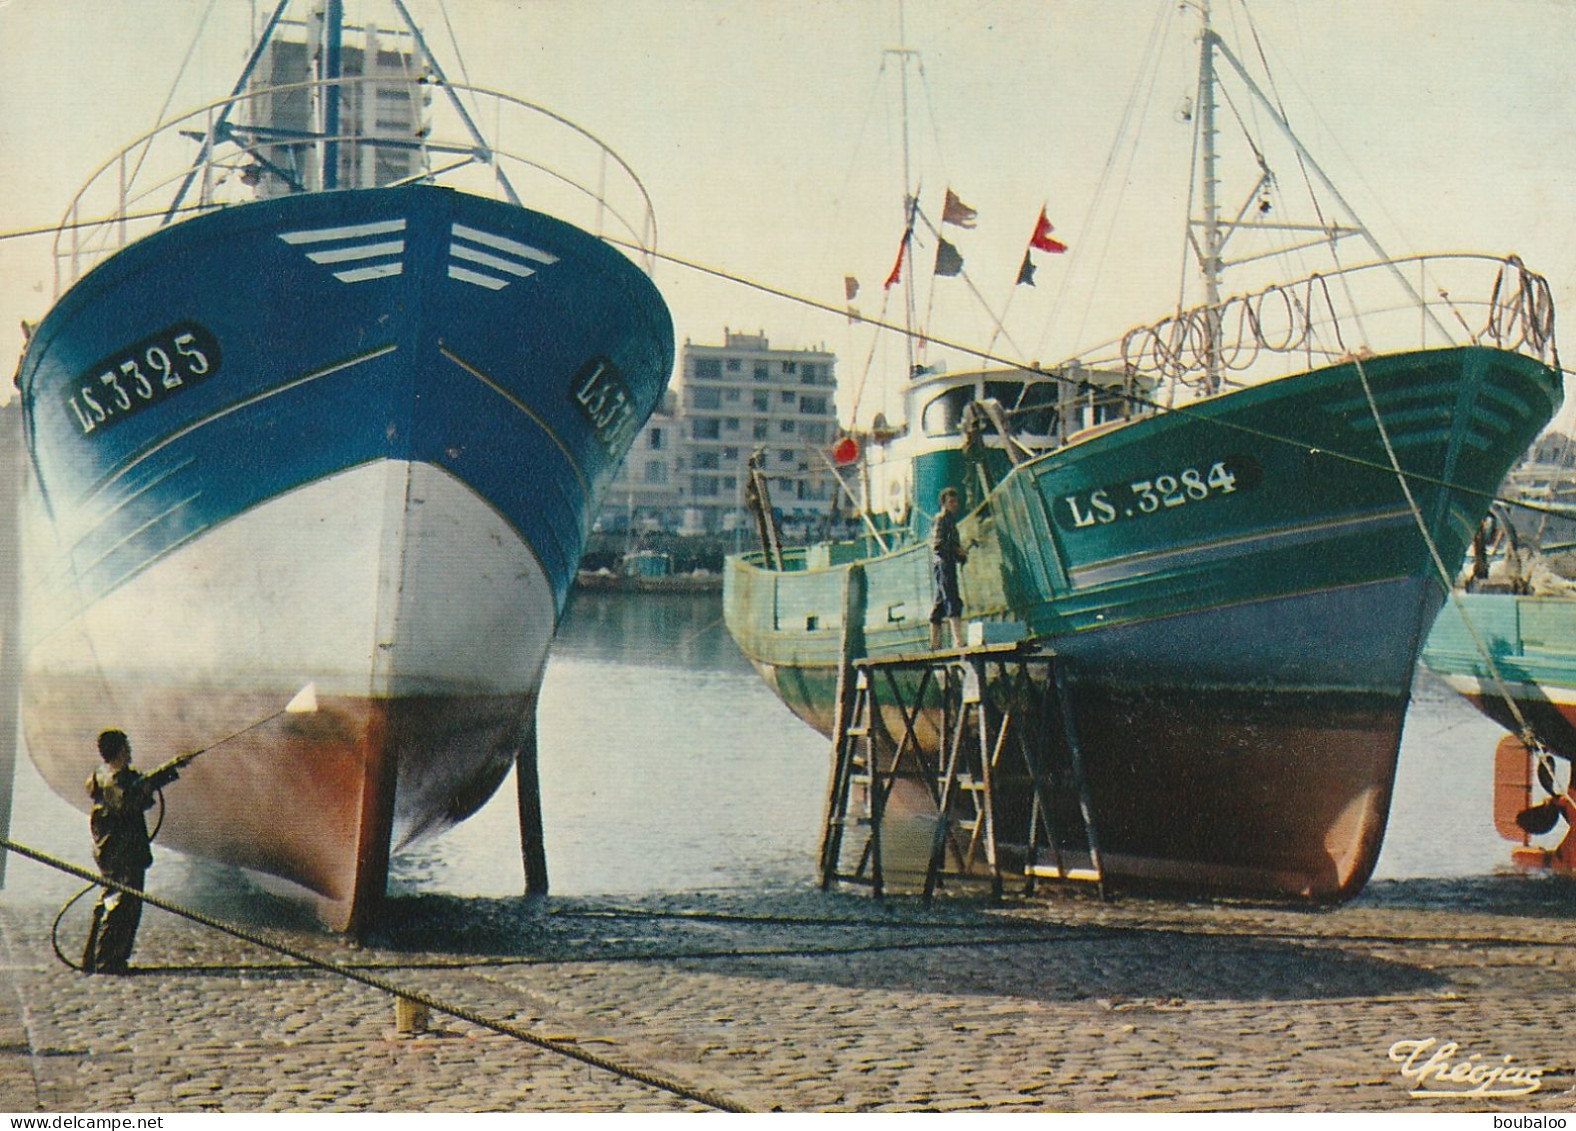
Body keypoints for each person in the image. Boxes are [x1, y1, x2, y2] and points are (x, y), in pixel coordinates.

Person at [82, 729, 184, 975]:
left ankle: (93, 959)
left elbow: (137, 789)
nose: (130, 751)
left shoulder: (101, 774)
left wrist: (168, 769)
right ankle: (109, 961)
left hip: (109, 850)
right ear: (119, 751)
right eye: (126, 747)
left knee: (109, 900)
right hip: (123, 852)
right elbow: (129, 798)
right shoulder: (115, 781)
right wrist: (169, 770)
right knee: (122, 905)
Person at [929, 486, 969, 650]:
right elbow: (937, 545)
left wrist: (960, 555)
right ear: (944, 503)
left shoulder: (950, 520)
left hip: (946, 563)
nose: (955, 504)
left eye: (955, 501)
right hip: (943, 564)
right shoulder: (941, 519)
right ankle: (958, 640)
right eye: (951, 501)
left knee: (940, 603)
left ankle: (934, 643)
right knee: (951, 598)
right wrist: (955, 551)